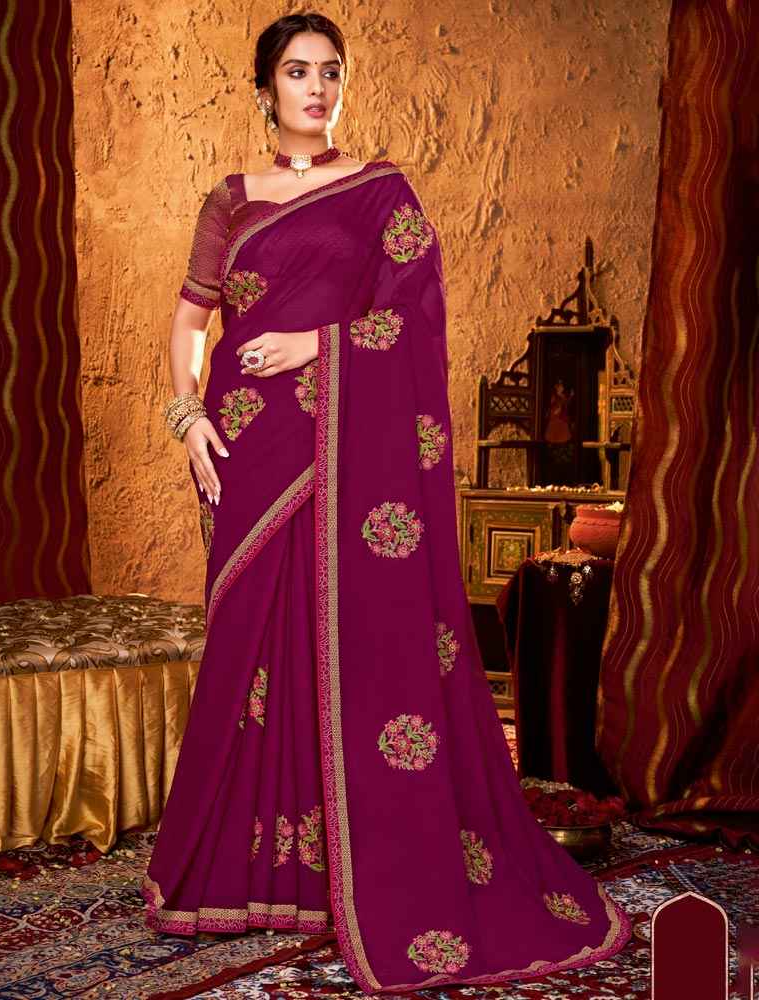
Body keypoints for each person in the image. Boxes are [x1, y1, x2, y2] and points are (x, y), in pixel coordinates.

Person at [143, 13, 630, 993]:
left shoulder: (381, 193)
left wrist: (316, 345)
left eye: (330, 71)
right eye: (297, 72)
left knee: (353, 642)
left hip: (344, 446)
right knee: (252, 647)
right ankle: (255, 869)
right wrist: (186, 416)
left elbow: (414, 317)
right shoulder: (229, 200)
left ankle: (350, 868)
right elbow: (190, 321)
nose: (316, 88)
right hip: (245, 446)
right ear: (265, 88)